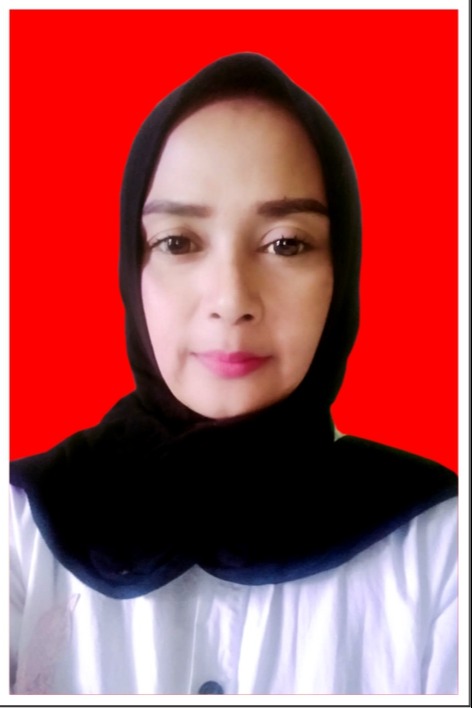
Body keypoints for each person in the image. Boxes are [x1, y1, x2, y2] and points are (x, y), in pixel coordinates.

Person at [10, 53, 457, 695]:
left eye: (286, 243)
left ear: (342, 271)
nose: (231, 298)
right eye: (178, 242)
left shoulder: (443, 546)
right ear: (132, 269)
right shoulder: (21, 530)